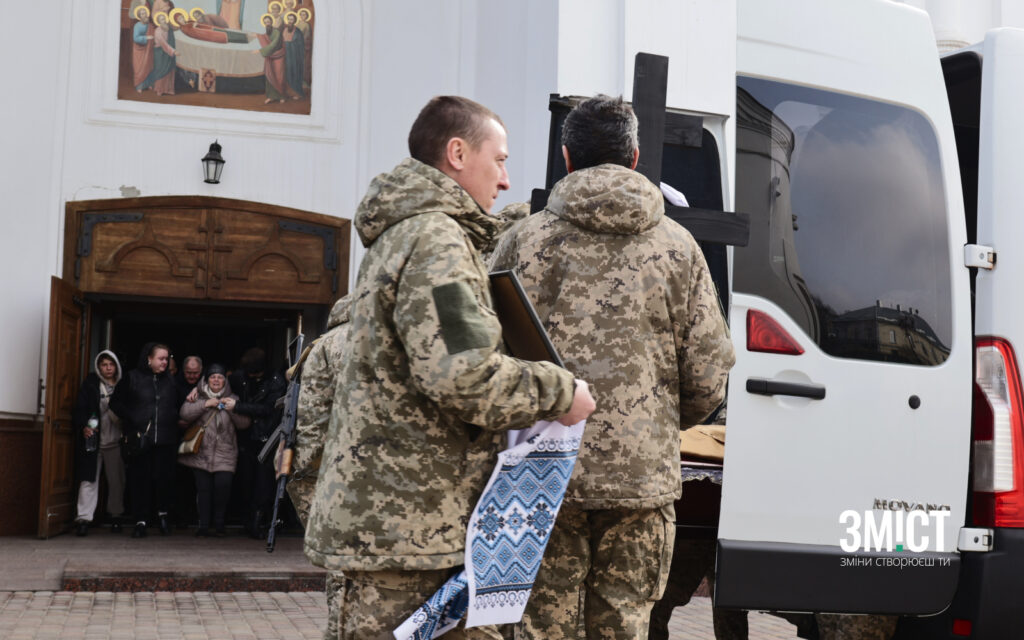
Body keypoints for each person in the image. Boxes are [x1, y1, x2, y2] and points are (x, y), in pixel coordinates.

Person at [303, 95, 596, 640]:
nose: (506, 180)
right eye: (500, 159)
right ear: (457, 153)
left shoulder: (408, 233)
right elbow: (463, 374)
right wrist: (561, 391)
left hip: (405, 524)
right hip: (411, 533)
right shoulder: (438, 240)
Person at [489, 94, 735, 639]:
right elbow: (708, 378)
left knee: (542, 627)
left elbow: (488, 363)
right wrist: (653, 423)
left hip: (541, 474)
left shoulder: (521, 243)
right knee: (626, 624)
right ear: (636, 155)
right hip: (641, 478)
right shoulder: (680, 248)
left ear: (567, 157)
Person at [290, 294, 351, 640]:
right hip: (358, 472)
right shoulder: (374, 340)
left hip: (323, 469)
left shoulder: (320, 347)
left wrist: (301, 476)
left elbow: (309, 424)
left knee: (339, 565)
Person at [110, 342, 182, 538]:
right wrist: (132, 417)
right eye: (161, 358)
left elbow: (182, 401)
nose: (165, 362)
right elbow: (114, 403)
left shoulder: (171, 380)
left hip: (166, 440)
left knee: (164, 480)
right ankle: (140, 520)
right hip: (140, 440)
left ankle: (163, 516)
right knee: (140, 480)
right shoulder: (132, 377)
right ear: (148, 359)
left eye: (167, 359)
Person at [178, 364, 251, 537]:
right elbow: (184, 414)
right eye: (213, 377)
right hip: (201, 453)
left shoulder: (233, 398)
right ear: (206, 380)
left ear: (225, 381)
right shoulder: (197, 396)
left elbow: (244, 424)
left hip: (225, 453)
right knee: (203, 490)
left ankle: (219, 524)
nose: (216, 380)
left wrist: (232, 408)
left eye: (220, 377)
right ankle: (203, 525)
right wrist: (205, 404)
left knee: (222, 488)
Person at [228, 347, 286, 539]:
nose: (251, 376)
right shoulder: (240, 376)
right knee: (246, 481)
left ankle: (258, 522)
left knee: (263, 484)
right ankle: (246, 520)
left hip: (266, 438)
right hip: (246, 437)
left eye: (254, 373)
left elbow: (268, 409)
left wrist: (237, 406)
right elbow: (220, 385)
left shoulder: (276, 382)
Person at [72, 350, 126, 536]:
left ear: (117, 366)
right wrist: (83, 426)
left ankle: (116, 516)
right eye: (104, 364)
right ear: (98, 367)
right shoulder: (90, 384)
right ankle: (84, 518)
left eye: (111, 364)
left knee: (116, 480)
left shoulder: (123, 385)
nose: (108, 368)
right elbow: (80, 408)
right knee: (88, 479)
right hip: (93, 441)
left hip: (116, 441)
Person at [254, 13, 297, 104]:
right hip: (270, 57)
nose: (267, 24)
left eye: (268, 22)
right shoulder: (264, 33)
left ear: (272, 22)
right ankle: (271, 96)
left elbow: (274, 44)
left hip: (279, 56)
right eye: (265, 22)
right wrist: (257, 36)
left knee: (279, 77)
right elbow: (262, 37)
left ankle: (282, 96)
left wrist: (260, 51)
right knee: (270, 76)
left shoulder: (277, 32)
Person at [137, 11, 177, 96]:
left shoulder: (169, 29)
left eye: (164, 19)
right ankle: (160, 89)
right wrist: (173, 51)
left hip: (168, 52)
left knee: (169, 70)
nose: (163, 21)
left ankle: (169, 89)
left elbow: (172, 40)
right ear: (158, 21)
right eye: (161, 19)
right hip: (160, 52)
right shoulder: (158, 31)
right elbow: (163, 44)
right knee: (160, 70)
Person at [281, 12, 305, 99]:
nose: (290, 21)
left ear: (295, 21)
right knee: (285, 73)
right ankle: (287, 92)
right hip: (285, 56)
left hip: (294, 57)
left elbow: (300, 45)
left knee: (294, 73)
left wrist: (289, 45)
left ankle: (297, 93)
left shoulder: (298, 32)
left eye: (292, 19)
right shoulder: (284, 30)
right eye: (289, 19)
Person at [131, 5, 155, 91]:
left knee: (148, 65)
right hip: (139, 50)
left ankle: (148, 84)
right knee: (140, 68)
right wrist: (146, 38)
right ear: (139, 16)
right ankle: (139, 86)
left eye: (145, 13)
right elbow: (135, 38)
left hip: (148, 49)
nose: (144, 15)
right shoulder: (137, 26)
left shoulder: (150, 26)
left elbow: (154, 35)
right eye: (142, 14)